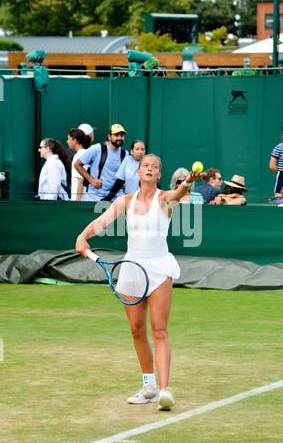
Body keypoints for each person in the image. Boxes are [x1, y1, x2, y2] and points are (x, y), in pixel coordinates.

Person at [75, 154, 200, 411]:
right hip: (132, 268)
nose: (150, 169)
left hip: (159, 269)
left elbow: (176, 195)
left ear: (159, 174)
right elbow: (102, 221)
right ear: (138, 172)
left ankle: (165, 391)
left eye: (155, 166)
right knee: (136, 330)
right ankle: (149, 386)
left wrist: (187, 183)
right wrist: (82, 236)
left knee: (159, 329)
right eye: (145, 166)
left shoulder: (165, 199)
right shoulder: (126, 201)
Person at [74, 124, 128, 202]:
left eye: (122, 135)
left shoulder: (125, 153)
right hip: (95, 198)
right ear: (109, 136)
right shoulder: (96, 148)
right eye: (116, 135)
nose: (119, 138)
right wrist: (91, 180)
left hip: (116, 199)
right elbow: (77, 164)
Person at [67, 128, 92, 201]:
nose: (67, 141)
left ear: (74, 140)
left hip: (80, 201)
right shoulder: (84, 153)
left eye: (68, 139)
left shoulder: (79, 155)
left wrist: (77, 202)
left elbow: (80, 180)